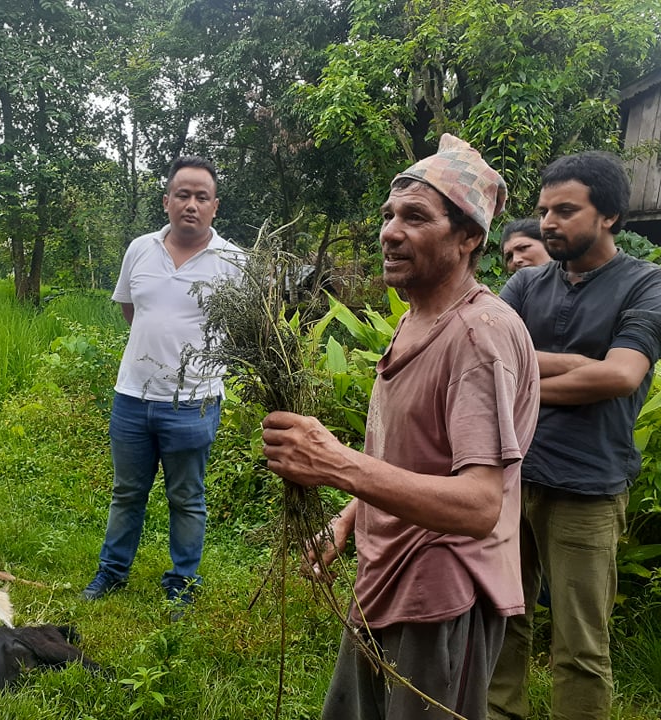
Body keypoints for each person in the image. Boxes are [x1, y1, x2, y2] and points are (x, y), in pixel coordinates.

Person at [261, 134, 540, 720]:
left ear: (469, 238)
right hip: (385, 571)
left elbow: (478, 505)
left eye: (416, 216)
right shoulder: (417, 315)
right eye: (389, 215)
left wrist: (334, 463)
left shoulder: (478, 336)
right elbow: (414, 454)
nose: (390, 230)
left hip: (442, 593)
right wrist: (346, 521)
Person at [488, 152, 661, 720]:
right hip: (511, 478)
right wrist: (577, 365)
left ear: (609, 214)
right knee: (502, 622)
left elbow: (620, 375)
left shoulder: (645, 284)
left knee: (580, 646)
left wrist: (523, 371)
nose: (548, 224)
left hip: (587, 484)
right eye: (543, 211)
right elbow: (483, 358)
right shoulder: (526, 284)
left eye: (566, 210)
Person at [81, 156, 243, 613]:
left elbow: (246, 330)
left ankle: (182, 583)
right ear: (167, 200)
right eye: (183, 195)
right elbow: (131, 310)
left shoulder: (234, 262)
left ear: (214, 206)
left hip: (193, 402)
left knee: (187, 497)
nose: (191, 204)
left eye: (201, 197)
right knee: (126, 492)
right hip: (132, 397)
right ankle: (111, 573)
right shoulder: (140, 249)